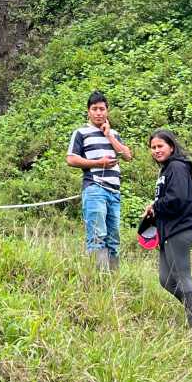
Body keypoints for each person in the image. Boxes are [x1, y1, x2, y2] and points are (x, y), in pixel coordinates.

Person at [138, 129, 192, 328]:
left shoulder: (177, 167)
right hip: (168, 230)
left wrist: (155, 206)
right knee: (166, 279)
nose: (156, 151)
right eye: (153, 147)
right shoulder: (167, 169)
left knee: (182, 276)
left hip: (181, 228)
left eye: (160, 146)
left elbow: (178, 197)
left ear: (172, 147)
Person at [66, 91, 132, 272]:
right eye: (94, 109)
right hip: (95, 188)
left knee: (114, 237)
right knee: (97, 235)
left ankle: (113, 279)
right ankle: (99, 281)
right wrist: (98, 163)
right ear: (88, 111)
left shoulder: (114, 134)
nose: (98, 113)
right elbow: (71, 159)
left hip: (115, 192)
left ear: (107, 111)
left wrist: (109, 135)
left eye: (102, 109)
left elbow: (127, 156)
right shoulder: (81, 133)